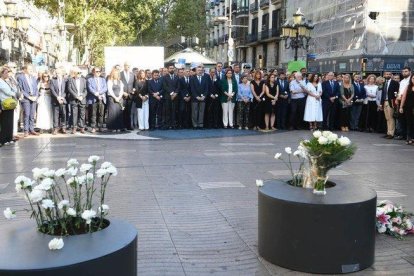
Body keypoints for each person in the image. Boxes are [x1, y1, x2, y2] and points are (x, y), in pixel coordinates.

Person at [17, 65, 39, 137]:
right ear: (26, 69)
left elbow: (36, 88)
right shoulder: (20, 77)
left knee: (32, 114)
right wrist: (29, 96)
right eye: (29, 69)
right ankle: (26, 130)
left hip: (34, 98)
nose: (31, 70)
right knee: (27, 114)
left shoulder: (33, 78)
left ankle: (31, 129)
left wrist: (36, 96)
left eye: (32, 69)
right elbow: (20, 89)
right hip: (26, 98)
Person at [0, 66, 17, 146]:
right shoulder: (0, 82)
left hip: (10, 103)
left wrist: (13, 89)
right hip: (4, 103)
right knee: (5, 122)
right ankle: (4, 139)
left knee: (10, 121)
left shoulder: (6, 81)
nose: (8, 74)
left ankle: (9, 138)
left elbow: (14, 89)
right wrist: (14, 93)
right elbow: (8, 92)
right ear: (2, 73)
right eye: (6, 73)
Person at [67, 68, 87, 134]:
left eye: (80, 73)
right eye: (78, 73)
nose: (79, 74)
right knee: (74, 114)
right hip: (74, 99)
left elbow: (85, 90)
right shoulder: (71, 80)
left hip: (82, 99)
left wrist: (82, 96)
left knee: (82, 114)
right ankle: (74, 127)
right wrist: (76, 96)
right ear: (75, 73)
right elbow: (69, 89)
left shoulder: (84, 80)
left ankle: (82, 127)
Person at [87, 67, 107, 133]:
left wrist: (99, 93)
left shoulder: (103, 79)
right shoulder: (90, 80)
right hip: (94, 98)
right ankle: (93, 127)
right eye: (96, 71)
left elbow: (105, 88)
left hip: (101, 98)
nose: (98, 73)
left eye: (99, 71)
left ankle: (100, 126)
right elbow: (90, 88)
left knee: (101, 113)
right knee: (93, 113)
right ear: (93, 72)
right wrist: (96, 94)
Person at [380, 71, 399, 139]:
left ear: (391, 75)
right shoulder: (384, 83)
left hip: (390, 102)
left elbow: (396, 92)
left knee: (391, 118)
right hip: (384, 101)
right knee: (387, 118)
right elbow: (383, 94)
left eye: (389, 74)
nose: (387, 75)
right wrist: (381, 104)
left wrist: (395, 100)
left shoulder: (395, 83)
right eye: (386, 74)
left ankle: (391, 133)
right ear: (384, 75)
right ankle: (388, 132)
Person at [395, 67, 411, 140]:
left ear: (410, 72)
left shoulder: (411, 80)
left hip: (408, 101)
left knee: (408, 119)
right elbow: (400, 91)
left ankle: (409, 135)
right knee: (401, 118)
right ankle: (403, 134)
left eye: (406, 71)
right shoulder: (401, 81)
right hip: (400, 101)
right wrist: (397, 98)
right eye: (403, 72)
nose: (404, 73)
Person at [50, 68, 67, 134]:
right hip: (55, 99)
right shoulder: (53, 80)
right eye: (56, 73)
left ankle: (63, 127)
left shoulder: (65, 80)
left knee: (63, 114)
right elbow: (52, 90)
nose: (57, 74)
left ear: (62, 73)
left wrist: (62, 98)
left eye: (59, 73)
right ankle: (56, 128)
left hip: (63, 99)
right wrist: (57, 97)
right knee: (55, 115)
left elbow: (66, 90)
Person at [162, 64, 179, 129]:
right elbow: (165, 86)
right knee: (168, 111)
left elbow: (178, 86)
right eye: (170, 68)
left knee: (174, 111)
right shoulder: (165, 77)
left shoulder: (177, 77)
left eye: (172, 68)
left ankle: (174, 125)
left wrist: (175, 94)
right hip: (168, 97)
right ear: (168, 69)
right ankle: (168, 125)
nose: (172, 69)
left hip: (175, 96)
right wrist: (172, 93)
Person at [120, 62, 136, 130]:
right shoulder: (120, 74)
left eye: (129, 66)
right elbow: (118, 83)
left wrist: (133, 91)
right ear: (124, 66)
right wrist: (122, 92)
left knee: (129, 111)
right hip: (122, 95)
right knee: (123, 111)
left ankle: (129, 125)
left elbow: (134, 85)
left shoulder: (132, 74)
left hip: (130, 95)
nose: (128, 67)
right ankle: (123, 126)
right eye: (126, 66)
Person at [399, 74, 414, 144]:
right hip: (408, 107)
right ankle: (409, 138)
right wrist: (401, 107)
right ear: (411, 79)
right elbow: (403, 98)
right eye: (413, 78)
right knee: (409, 123)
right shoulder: (408, 87)